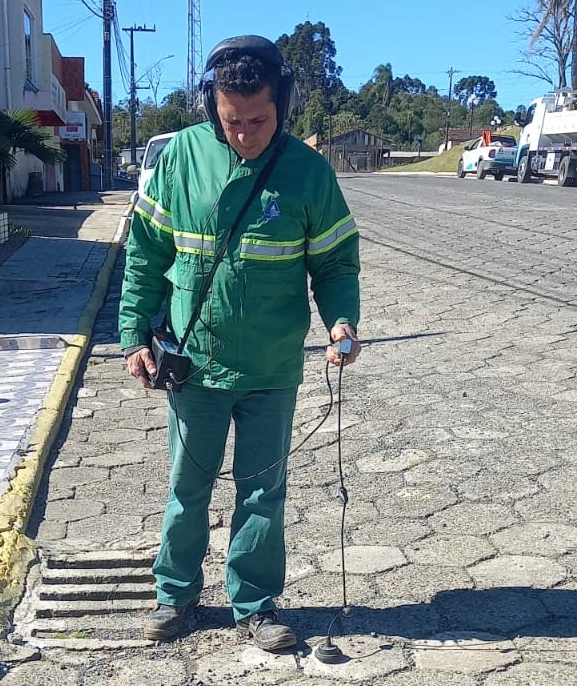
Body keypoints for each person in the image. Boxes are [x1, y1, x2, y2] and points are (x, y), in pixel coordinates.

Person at [118, 34, 362, 651]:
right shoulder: (180, 159)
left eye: (258, 119)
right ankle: (174, 596)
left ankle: (254, 603)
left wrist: (342, 322)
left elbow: (335, 262)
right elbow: (145, 256)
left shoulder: (309, 172)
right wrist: (132, 337)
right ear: (211, 110)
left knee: (262, 489)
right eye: (232, 122)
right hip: (193, 364)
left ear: (282, 103)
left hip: (272, 366)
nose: (246, 133)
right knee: (186, 486)